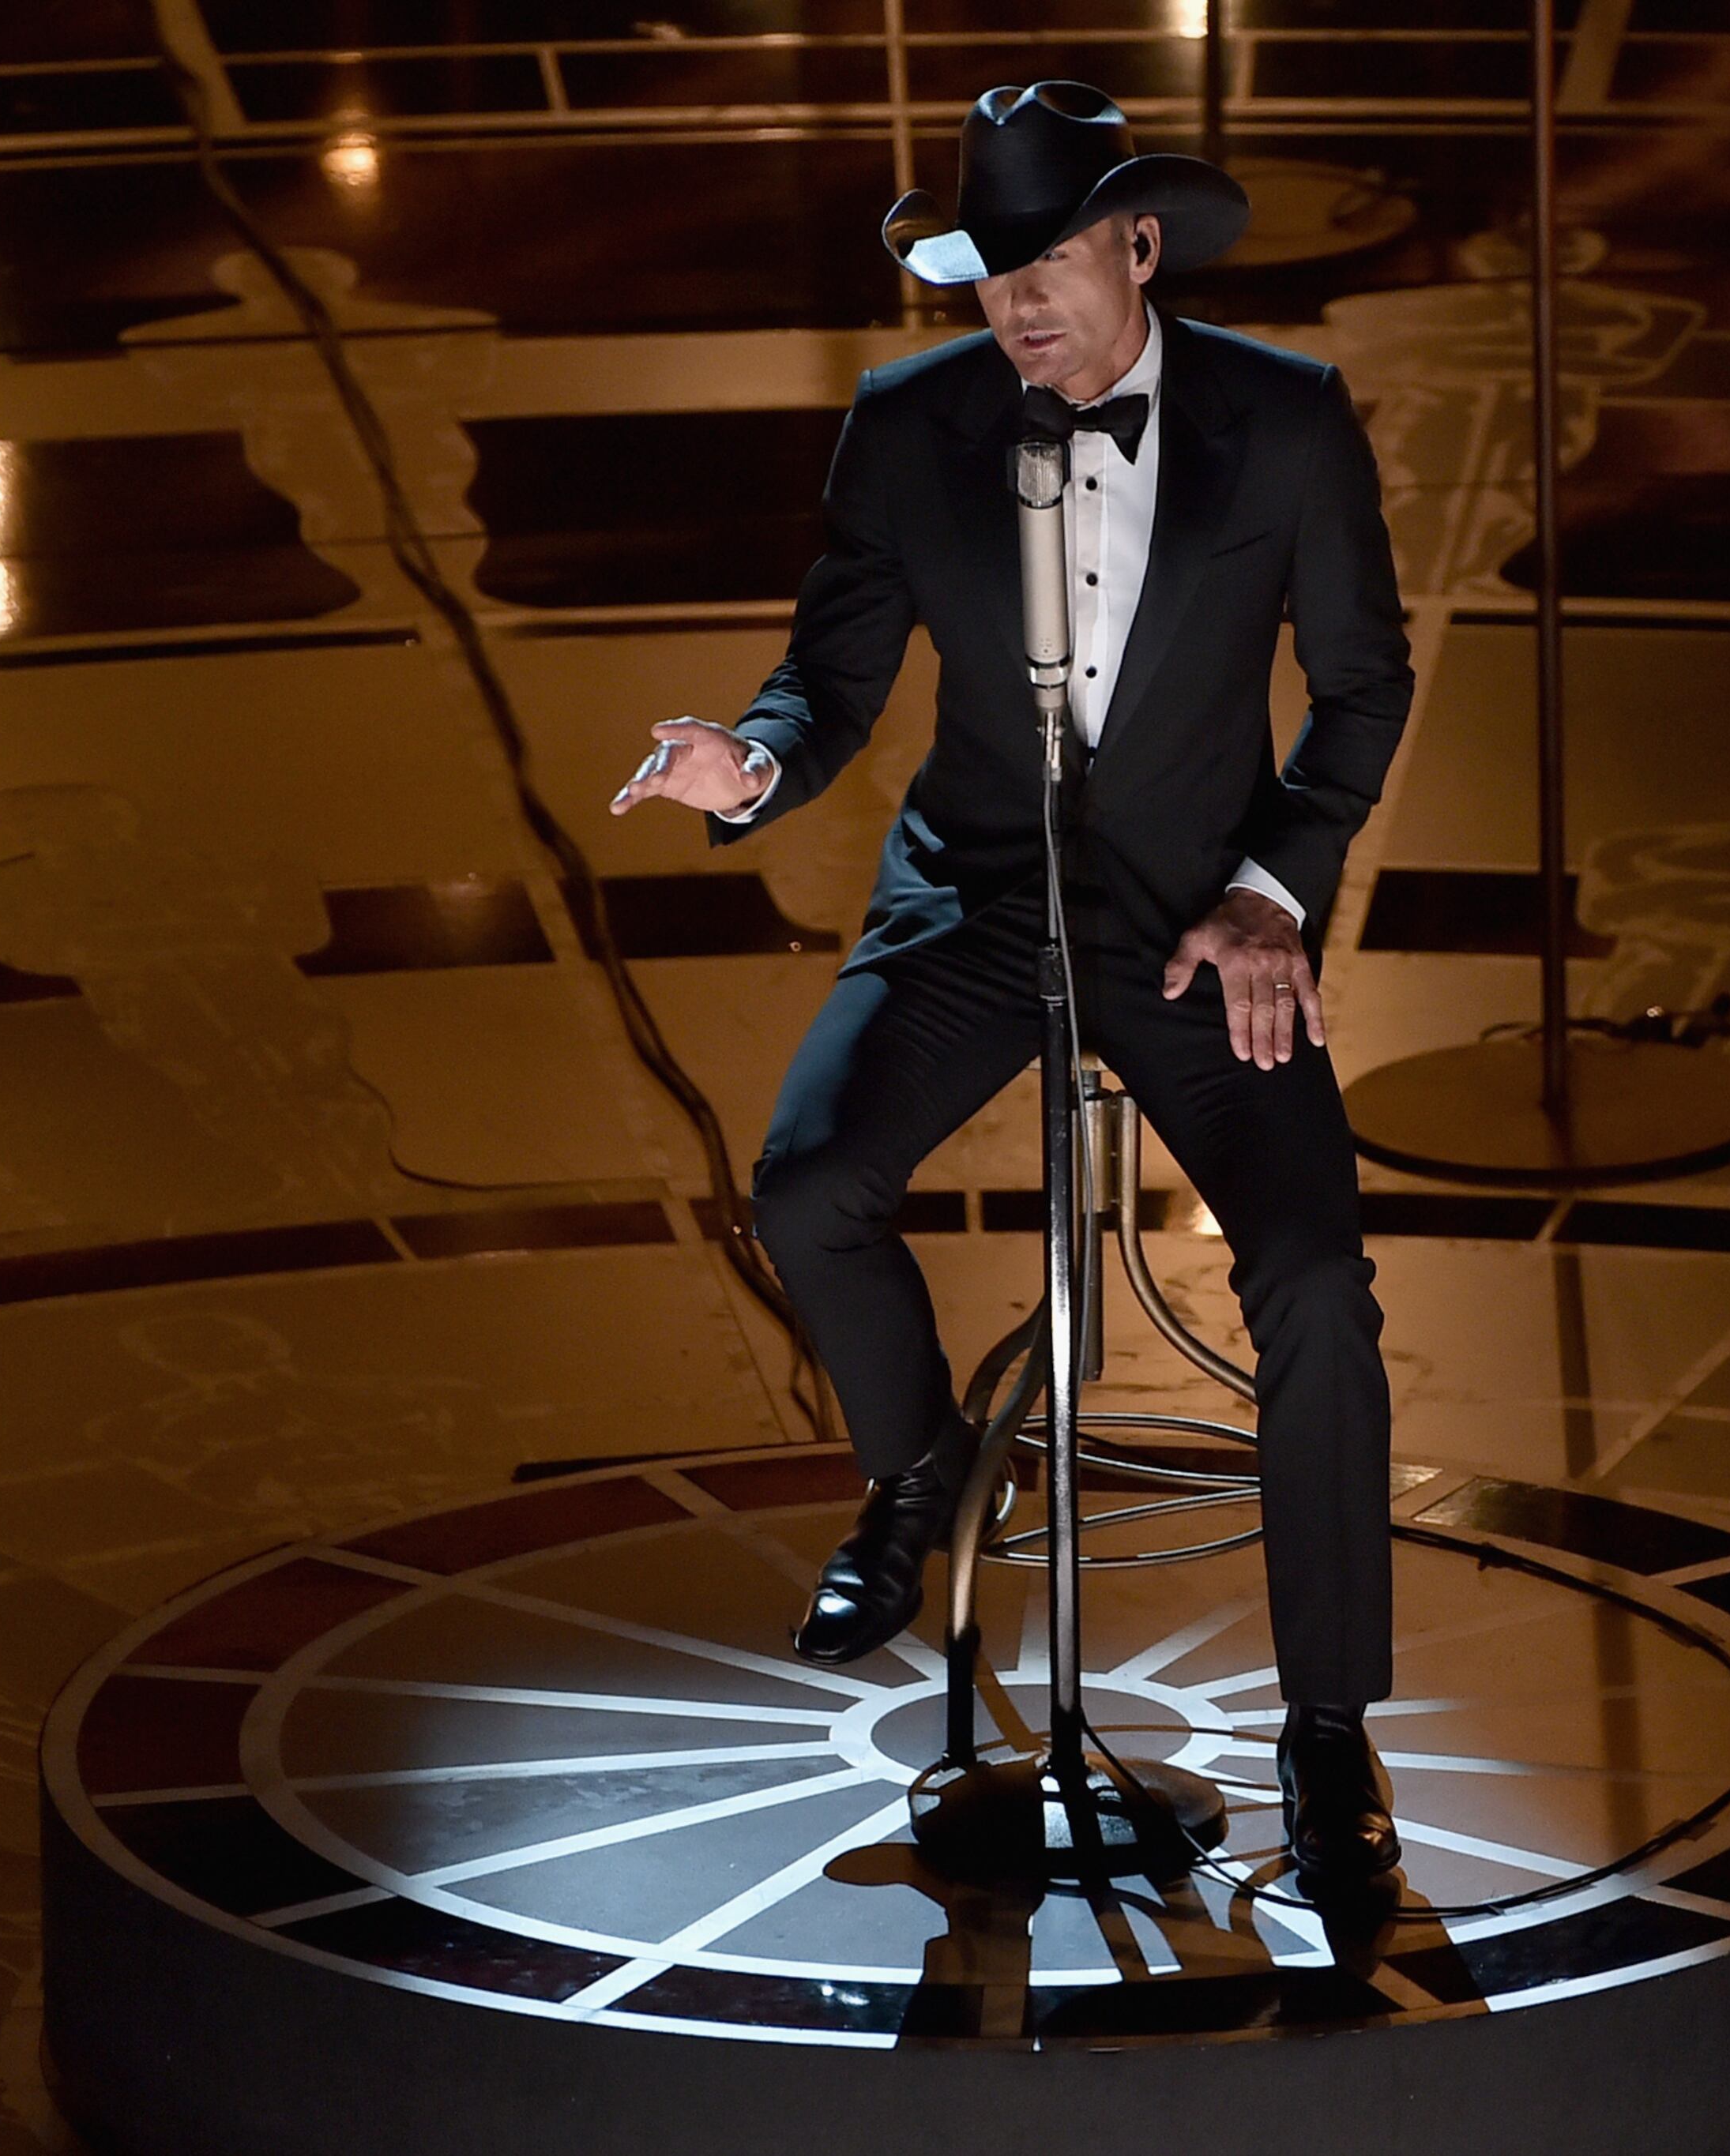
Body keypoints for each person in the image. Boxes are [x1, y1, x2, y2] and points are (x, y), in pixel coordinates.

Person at [611, 81, 1414, 1883]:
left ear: (1137, 244)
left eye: (1047, 263)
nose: (1017, 307)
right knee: (810, 1184)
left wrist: (1277, 895)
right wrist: (750, 764)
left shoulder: (1283, 424)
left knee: (1316, 1292)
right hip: (972, 903)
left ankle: (1330, 1734)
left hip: (1200, 927)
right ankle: (913, 1476)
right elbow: (830, 673)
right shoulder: (910, 426)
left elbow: (1365, 685)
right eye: (989, 274)